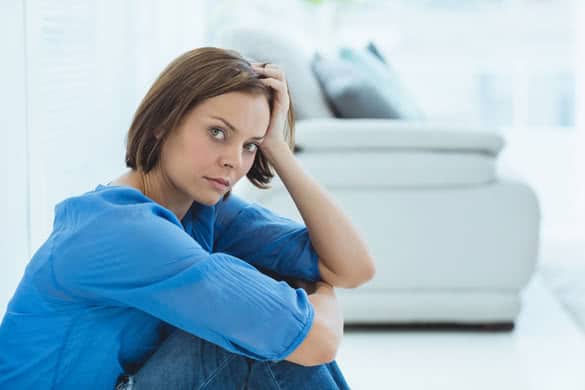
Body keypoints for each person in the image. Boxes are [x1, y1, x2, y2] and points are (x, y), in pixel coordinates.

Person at [0, 47, 376, 389]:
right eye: (217, 132)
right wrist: (315, 295)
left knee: (261, 319)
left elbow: (353, 268)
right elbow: (318, 342)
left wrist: (278, 149)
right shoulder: (126, 232)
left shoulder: (203, 209)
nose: (234, 159)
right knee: (255, 336)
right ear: (163, 123)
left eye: (250, 145)